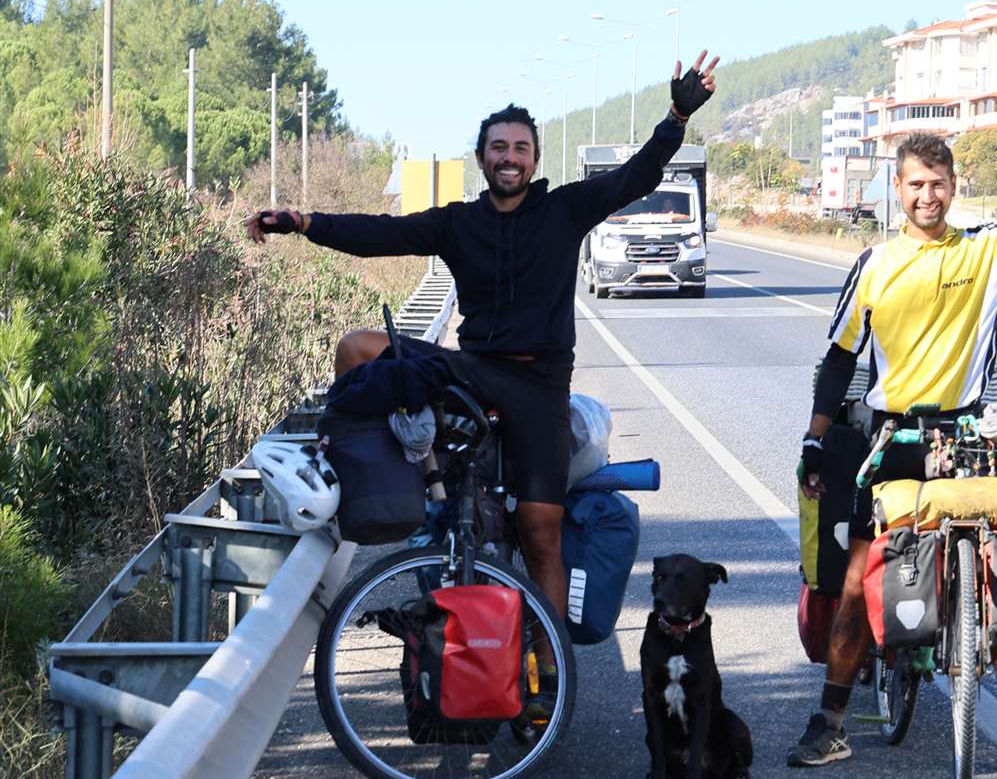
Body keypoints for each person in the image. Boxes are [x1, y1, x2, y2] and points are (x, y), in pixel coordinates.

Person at [247, 52, 721, 619]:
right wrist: (304, 223)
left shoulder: (565, 209)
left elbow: (636, 177)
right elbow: (381, 234)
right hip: (468, 370)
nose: (510, 157)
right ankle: (363, 472)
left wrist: (675, 117)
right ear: (482, 158)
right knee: (357, 348)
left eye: (520, 148)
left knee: (541, 533)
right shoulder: (458, 221)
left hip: (538, 387)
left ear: (535, 159)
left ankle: (549, 665)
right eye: (499, 147)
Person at [788, 94, 997, 779]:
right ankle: (833, 720)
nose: (926, 195)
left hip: (970, 436)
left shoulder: (990, 249)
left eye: (937, 184)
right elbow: (841, 358)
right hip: (894, 437)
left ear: (953, 187)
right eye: (914, 185)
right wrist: (817, 438)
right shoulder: (874, 263)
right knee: (854, 583)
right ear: (897, 190)